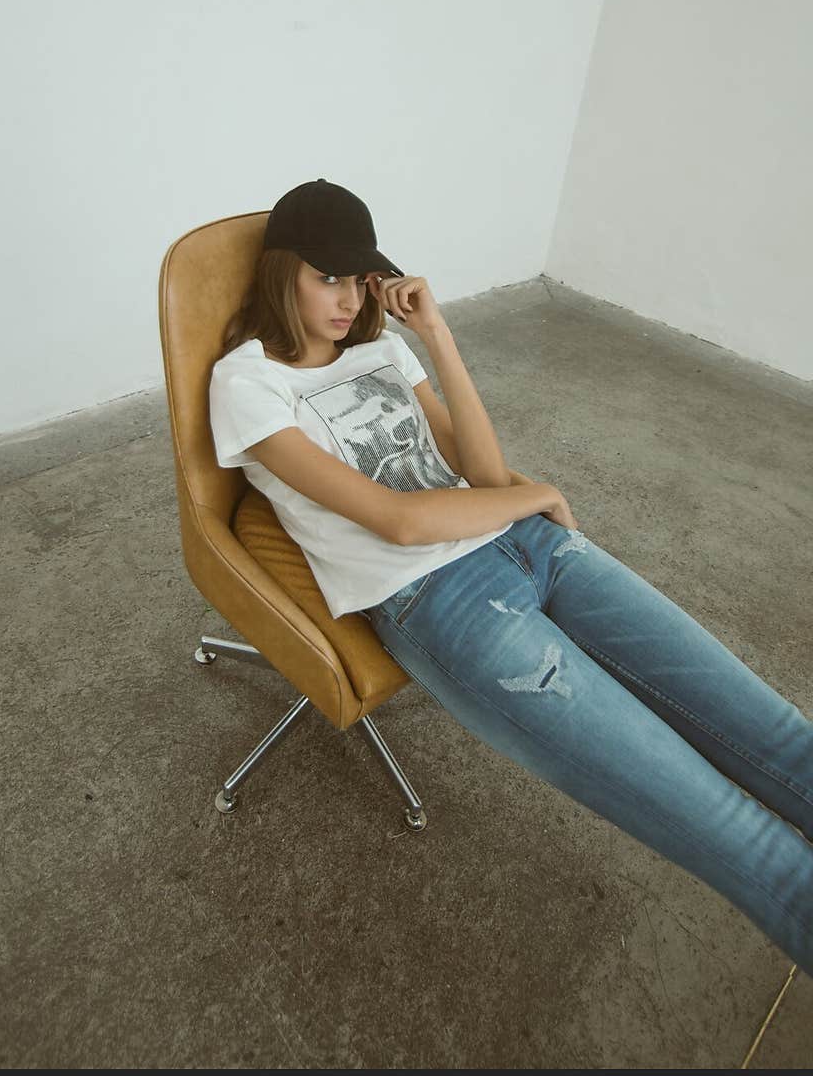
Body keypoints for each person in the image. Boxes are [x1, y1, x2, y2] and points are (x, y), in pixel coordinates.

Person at [209, 177, 813, 977]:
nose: (349, 298)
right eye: (328, 277)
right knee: (745, 841)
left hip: (536, 547)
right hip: (446, 604)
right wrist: (544, 494)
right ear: (281, 272)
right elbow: (399, 520)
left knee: (785, 742)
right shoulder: (248, 382)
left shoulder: (381, 347)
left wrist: (437, 337)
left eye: (359, 278)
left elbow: (484, 472)